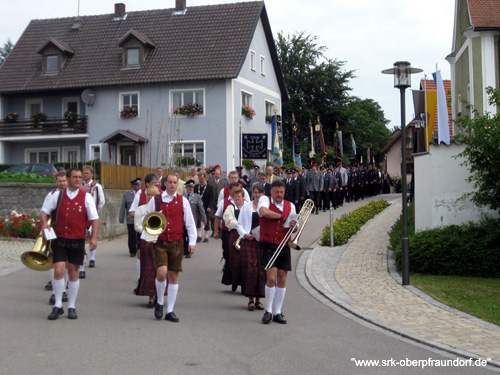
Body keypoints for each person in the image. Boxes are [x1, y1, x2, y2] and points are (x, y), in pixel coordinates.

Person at [41, 168, 99, 320]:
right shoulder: (57, 195)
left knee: (73, 272)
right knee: (59, 271)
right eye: (75, 177)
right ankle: (58, 305)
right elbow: (44, 211)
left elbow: (94, 218)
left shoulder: (86, 197)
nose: (78, 179)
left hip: (77, 240)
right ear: (67, 179)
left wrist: (94, 237)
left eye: (80, 177)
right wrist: (44, 224)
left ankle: (72, 306)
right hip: (59, 239)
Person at [143, 173, 197, 322]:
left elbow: (190, 224)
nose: (173, 185)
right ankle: (160, 302)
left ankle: (170, 310)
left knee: (173, 276)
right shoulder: (156, 200)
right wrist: (154, 217)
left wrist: (192, 242)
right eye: (170, 182)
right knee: (162, 273)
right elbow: (145, 218)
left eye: (175, 182)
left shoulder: (183, 201)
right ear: (164, 183)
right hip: (159, 241)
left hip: (177, 242)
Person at [258, 180, 297, 324]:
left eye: (281, 192)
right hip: (268, 244)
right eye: (276, 192)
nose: (279, 195)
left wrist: (295, 225)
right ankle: (268, 310)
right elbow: (264, 212)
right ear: (271, 192)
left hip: (284, 244)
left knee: (282, 279)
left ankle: (278, 312)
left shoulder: (290, 205)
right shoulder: (265, 200)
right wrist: (282, 216)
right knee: (272, 278)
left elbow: (295, 228)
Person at [134, 185, 166, 308]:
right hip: (146, 239)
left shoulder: (161, 209)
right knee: (148, 268)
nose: (150, 197)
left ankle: (160, 295)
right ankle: (151, 296)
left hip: (160, 239)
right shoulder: (141, 209)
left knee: (160, 268)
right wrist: (150, 228)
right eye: (148, 194)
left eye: (153, 195)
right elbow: (137, 226)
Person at [236, 184, 266, 311]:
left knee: (261, 270)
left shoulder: (266, 207)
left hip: (262, 242)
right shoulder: (246, 207)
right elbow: (240, 224)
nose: (257, 194)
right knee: (250, 270)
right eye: (255, 192)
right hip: (249, 241)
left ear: (263, 194)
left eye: (260, 192)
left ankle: (259, 299)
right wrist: (244, 235)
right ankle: (250, 300)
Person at [45, 170, 69, 305]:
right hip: (54, 231)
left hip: (69, 233)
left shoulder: (73, 195)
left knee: (66, 262)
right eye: (60, 181)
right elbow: (45, 212)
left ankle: (63, 290)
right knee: (54, 261)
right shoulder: (52, 195)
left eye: (64, 180)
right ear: (56, 182)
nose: (62, 183)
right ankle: (55, 292)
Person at [79, 165, 105, 278]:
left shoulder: (97, 186)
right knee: (82, 237)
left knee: (92, 235)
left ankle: (92, 258)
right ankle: (82, 258)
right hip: (82, 215)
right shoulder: (79, 186)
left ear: (92, 174)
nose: (85, 175)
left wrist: (95, 211)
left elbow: (101, 201)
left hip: (92, 214)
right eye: (83, 173)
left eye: (87, 173)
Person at [222, 188, 246, 292]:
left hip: (245, 235)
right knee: (233, 260)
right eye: (235, 196)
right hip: (234, 235)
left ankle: (244, 284)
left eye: (239, 196)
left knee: (244, 261)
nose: (237, 198)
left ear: (243, 198)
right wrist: (242, 225)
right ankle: (234, 282)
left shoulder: (247, 207)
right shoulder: (230, 208)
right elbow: (229, 222)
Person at [184, 179, 207, 256]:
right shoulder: (182, 197)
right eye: (189, 187)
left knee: (190, 236)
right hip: (182, 221)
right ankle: (184, 249)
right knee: (183, 236)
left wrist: (204, 219)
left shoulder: (196, 197)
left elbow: (201, 208)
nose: (191, 188)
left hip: (192, 220)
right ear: (186, 187)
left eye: (192, 187)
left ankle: (188, 251)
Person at [119, 178, 142, 257]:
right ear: (133, 186)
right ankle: (132, 251)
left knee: (140, 234)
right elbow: (123, 206)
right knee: (131, 235)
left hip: (140, 219)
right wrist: (121, 218)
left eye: (139, 185)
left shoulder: (143, 193)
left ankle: (139, 248)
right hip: (130, 219)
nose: (139, 186)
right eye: (137, 185)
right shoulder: (127, 194)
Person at [194, 171, 216, 243]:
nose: (201, 180)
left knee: (206, 221)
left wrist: (210, 206)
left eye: (202, 179)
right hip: (198, 207)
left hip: (207, 207)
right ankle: (199, 236)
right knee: (198, 220)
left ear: (205, 178)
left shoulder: (209, 187)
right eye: (199, 179)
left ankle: (206, 236)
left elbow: (212, 198)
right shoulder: (196, 187)